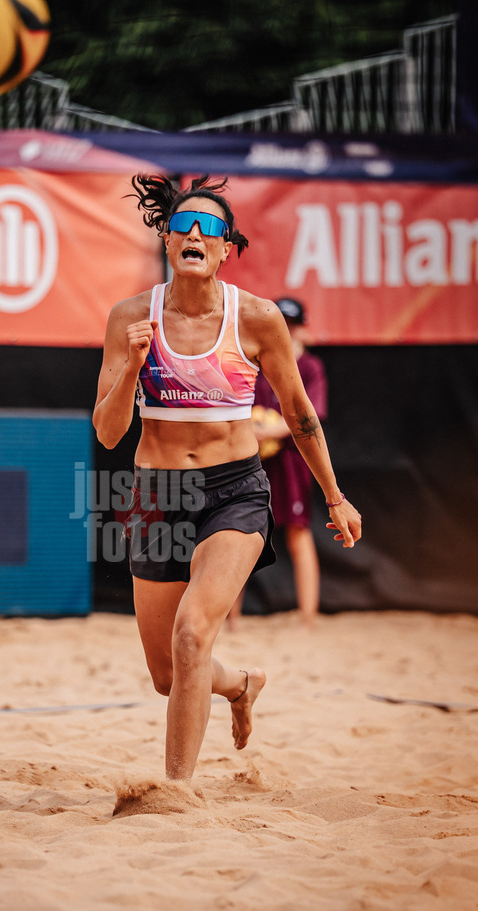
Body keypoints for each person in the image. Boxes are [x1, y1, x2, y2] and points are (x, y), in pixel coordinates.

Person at [92, 174, 361, 784]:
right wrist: (133, 368)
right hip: (155, 495)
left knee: (193, 635)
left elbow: (299, 414)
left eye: (209, 227)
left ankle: (175, 792)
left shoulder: (258, 318)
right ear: (166, 239)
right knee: (167, 676)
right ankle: (241, 684)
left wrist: (335, 497)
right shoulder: (131, 318)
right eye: (183, 224)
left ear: (224, 247)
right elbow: (108, 433)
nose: (194, 232)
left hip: (234, 491)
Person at [228, 297, 327, 628]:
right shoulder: (256, 362)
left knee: (298, 531)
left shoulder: (309, 367)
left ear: (300, 327)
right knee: (240, 532)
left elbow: (307, 416)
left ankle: (308, 618)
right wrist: (253, 432)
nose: (286, 328)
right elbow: (238, 407)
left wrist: (270, 430)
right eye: (281, 321)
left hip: (290, 458)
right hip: (252, 457)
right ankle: (233, 618)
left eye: (292, 323)